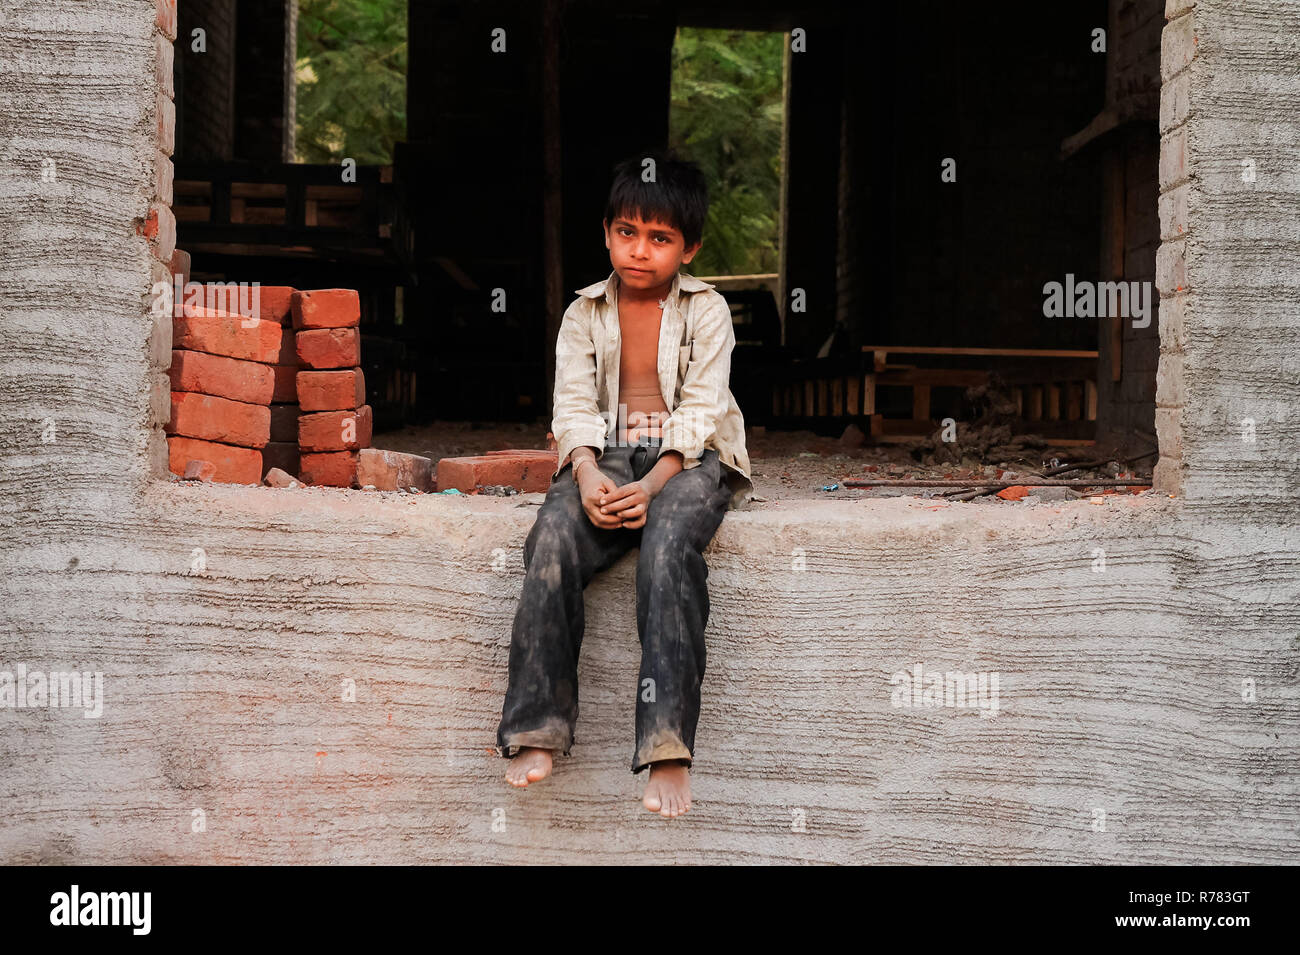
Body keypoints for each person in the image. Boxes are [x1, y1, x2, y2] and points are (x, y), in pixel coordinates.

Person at [494, 149, 753, 817]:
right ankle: (537, 724)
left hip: (694, 461)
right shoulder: (584, 313)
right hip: (606, 455)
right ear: (608, 232)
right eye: (627, 233)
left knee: (667, 546)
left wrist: (661, 479)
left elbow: (700, 407)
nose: (640, 251)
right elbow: (573, 405)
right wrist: (582, 473)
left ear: (689, 247)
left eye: (660, 238)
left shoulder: (708, 312)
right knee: (551, 537)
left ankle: (668, 748)